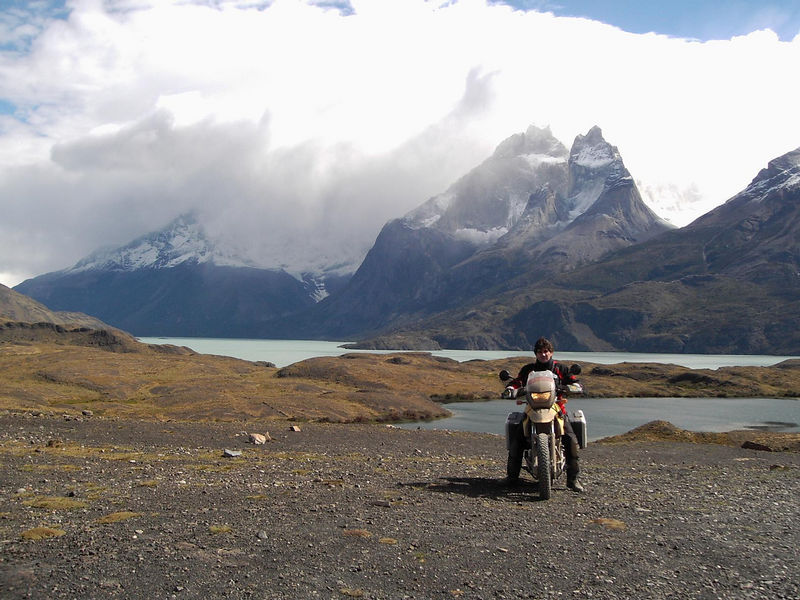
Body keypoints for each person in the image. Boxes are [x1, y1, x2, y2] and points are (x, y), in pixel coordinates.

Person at [503, 337, 584, 493]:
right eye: (540, 352)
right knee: (517, 440)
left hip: (556, 407)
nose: (543, 355)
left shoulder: (561, 368)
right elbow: (518, 382)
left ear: (551, 352)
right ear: (536, 354)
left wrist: (574, 387)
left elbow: (574, 381)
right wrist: (510, 388)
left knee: (571, 440)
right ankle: (511, 477)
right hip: (532, 408)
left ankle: (573, 479)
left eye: (546, 351)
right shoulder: (528, 370)